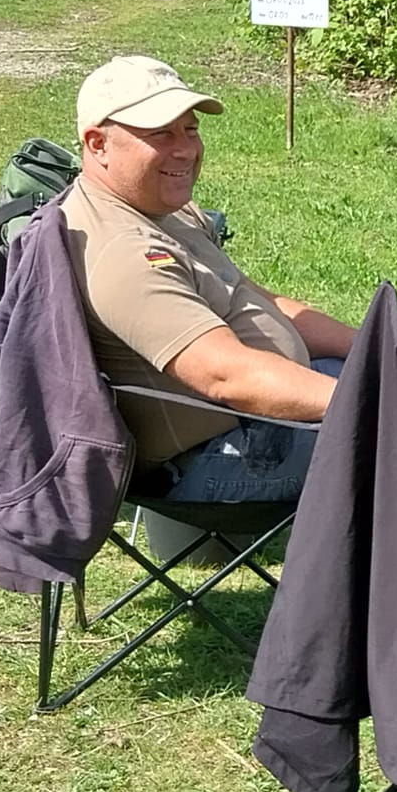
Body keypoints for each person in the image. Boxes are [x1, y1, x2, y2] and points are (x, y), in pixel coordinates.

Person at [60, 55, 358, 502]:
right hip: (217, 458)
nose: (186, 149)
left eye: (191, 129)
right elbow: (226, 376)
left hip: (263, 419)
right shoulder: (123, 252)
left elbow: (262, 300)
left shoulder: (167, 211)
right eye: (161, 134)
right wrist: (375, 400)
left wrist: (381, 350)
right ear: (98, 143)